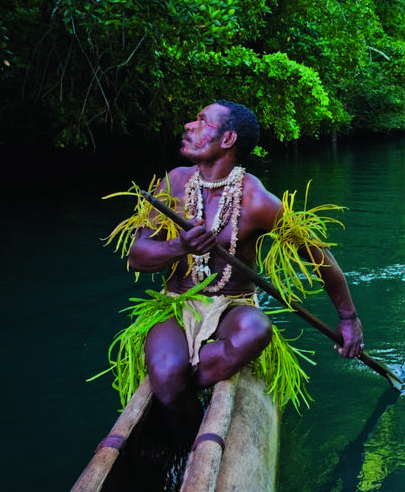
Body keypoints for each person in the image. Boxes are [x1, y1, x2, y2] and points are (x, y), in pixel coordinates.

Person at [103, 100, 365, 435]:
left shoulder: (258, 201)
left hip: (232, 307)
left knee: (257, 329)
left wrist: (348, 318)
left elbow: (319, 257)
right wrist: (179, 246)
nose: (189, 125)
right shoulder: (174, 183)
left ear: (227, 140)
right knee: (167, 374)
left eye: (201, 122)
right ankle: (185, 416)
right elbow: (137, 256)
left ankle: (187, 381)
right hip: (173, 304)